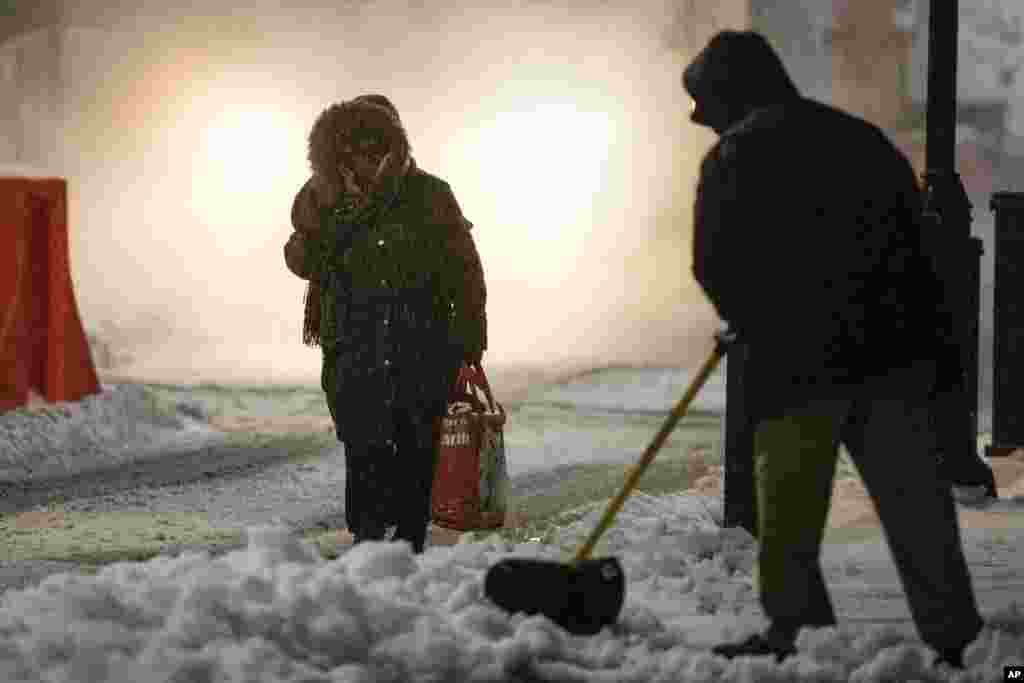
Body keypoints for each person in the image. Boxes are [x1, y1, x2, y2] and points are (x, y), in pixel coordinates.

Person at [683, 31, 984, 668]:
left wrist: (751, 318)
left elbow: (713, 261)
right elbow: (919, 247)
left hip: (797, 369)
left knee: (788, 511)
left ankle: (794, 632)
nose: (698, 118)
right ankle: (956, 638)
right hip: (890, 359)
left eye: (703, 103)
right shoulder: (860, 140)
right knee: (917, 509)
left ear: (726, 96)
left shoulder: (733, 158)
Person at [283, 94, 487, 553]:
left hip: (420, 346)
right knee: (363, 447)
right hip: (353, 348)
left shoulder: (430, 195)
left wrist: (469, 340)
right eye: (353, 150)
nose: (365, 160)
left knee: (416, 448)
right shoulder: (324, 201)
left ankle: (408, 543)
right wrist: (325, 218)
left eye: (373, 148)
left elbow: (465, 271)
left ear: (392, 146)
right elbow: (301, 261)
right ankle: (367, 541)